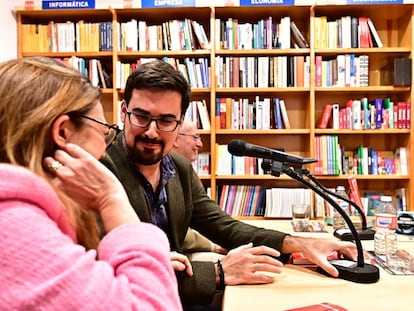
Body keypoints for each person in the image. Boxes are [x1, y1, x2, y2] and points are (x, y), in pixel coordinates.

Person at [102, 60, 357, 306]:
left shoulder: (178, 169)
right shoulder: (99, 170)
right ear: (124, 111)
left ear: (180, 123)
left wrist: (298, 244)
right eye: (141, 116)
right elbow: (112, 276)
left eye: (166, 121)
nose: (151, 131)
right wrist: (218, 272)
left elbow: (225, 228)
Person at [0, 56, 182, 310]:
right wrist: (112, 199)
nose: (103, 152)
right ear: (63, 132)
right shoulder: (14, 226)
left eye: (165, 121)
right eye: (103, 131)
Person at [172, 118, 227, 255]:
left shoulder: (185, 170)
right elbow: (176, 232)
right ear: (175, 139)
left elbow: (208, 218)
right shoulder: (163, 172)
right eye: (195, 137)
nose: (200, 144)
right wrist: (211, 246)